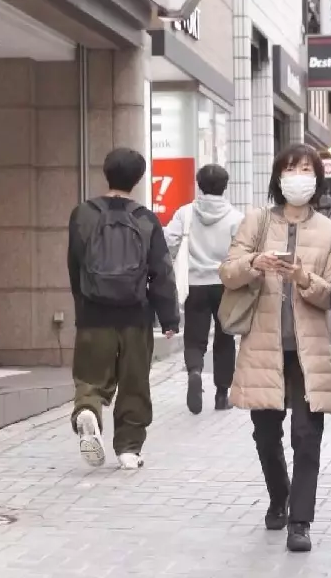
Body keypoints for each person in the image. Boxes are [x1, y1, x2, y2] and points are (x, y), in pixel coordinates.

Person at [219, 143, 331, 553]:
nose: (297, 177)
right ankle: (279, 495)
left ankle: (300, 521)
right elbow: (228, 273)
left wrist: (303, 278)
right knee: (266, 433)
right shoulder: (256, 221)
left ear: (317, 179)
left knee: (307, 436)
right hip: (263, 346)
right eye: (290, 170)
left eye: (306, 170)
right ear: (278, 177)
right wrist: (255, 263)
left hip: (309, 351)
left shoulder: (330, 230)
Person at [67, 147, 180, 470]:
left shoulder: (83, 214)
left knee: (90, 377)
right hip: (135, 315)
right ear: (138, 179)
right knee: (134, 383)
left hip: (94, 313)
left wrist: (82, 306)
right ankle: (129, 448)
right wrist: (169, 318)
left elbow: (75, 266)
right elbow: (161, 272)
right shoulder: (145, 219)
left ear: (106, 172)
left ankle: (88, 409)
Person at [164, 164, 244, 414]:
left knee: (194, 336)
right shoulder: (235, 217)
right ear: (225, 186)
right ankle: (221, 395)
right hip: (225, 284)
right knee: (225, 338)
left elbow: (169, 241)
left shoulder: (185, 213)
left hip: (194, 284)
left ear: (199, 185)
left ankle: (195, 372)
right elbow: (242, 252)